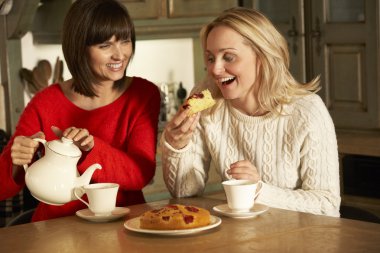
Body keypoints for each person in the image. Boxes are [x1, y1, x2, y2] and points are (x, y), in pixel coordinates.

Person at [161, 7, 341, 217]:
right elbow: (185, 193)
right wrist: (177, 146)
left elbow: (327, 205)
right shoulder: (208, 102)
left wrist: (258, 190)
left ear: (262, 57)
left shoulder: (307, 111)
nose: (215, 69)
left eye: (228, 57)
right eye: (211, 58)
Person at [0, 0, 161, 222]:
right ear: (79, 48)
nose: (119, 54)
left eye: (125, 41)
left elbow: (141, 174)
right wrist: (15, 161)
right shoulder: (44, 103)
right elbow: (2, 187)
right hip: (57, 229)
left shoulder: (143, 95)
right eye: (105, 45)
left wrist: (91, 149)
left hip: (126, 225)